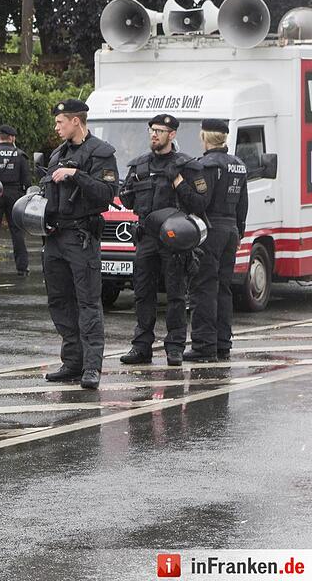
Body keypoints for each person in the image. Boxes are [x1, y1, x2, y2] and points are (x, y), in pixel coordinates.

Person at [117, 114, 208, 367]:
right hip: (146, 238)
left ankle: (175, 347)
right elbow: (128, 200)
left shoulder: (186, 166)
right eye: (152, 130)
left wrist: (178, 182)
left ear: (172, 135)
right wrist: (128, 191)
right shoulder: (140, 166)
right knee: (142, 293)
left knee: (176, 294)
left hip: (174, 241)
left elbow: (200, 204)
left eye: (160, 130)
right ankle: (141, 346)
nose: (154, 134)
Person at [40, 101, 119, 390]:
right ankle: (72, 361)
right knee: (59, 301)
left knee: (87, 303)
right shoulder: (58, 154)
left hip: (82, 237)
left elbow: (108, 194)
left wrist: (76, 175)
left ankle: (91, 366)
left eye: (61, 121)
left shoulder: (101, 152)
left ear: (76, 121)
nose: (57, 127)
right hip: (56, 237)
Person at [186, 119, 249, 362]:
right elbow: (243, 203)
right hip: (231, 230)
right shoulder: (238, 165)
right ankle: (223, 342)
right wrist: (240, 232)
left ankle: (203, 346)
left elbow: (201, 202)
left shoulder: (205, 166)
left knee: (204, 288)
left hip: (209, 231)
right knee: (223, 288)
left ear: (204, 136)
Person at [0, 125, 32, 276]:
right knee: (17, 232)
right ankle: (22, 268)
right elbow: (27, 181)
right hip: (15, 195)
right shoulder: (20, 155)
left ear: (0, 137)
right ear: (12, 138)